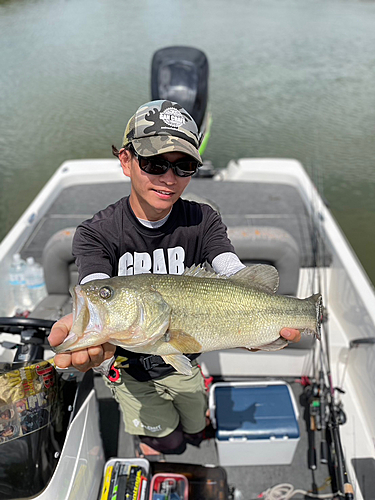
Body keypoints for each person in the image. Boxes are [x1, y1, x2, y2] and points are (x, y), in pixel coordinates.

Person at [48, 100, 301, 457]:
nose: (169, 178)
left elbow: (231, 270)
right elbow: (99, 284)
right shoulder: (95, 233)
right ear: (126, 160)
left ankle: (196, 433)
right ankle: (156, 445)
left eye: (184, 167)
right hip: (130, 371)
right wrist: (91, 324)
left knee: (196, 426)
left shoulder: (203, 220)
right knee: (168, 441)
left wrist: (256, 320)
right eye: (154, 163)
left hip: (184, 361)